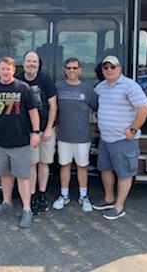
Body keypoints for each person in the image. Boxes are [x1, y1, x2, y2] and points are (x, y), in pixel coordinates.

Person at [0, 56, 40, 228]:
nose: (6, 72)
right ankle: (6, 203)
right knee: (4, 175)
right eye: (3, 68)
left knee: (23, 177)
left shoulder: (23, 88)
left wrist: (35, 132)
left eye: (9, 69)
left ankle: (27, 210)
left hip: (20, 142)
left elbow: (33, 111)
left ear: (14, 70)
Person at [93, 55, 147, 220]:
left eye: (113, 67)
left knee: (124, 173)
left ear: (120, 69)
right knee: (104, 169)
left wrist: (133, 130)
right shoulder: (101, 87)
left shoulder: (129, 86)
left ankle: (119, 206)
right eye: (106, 67)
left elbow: (144, 109)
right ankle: (109, 199)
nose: (109, 70)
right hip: (105, 138)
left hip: (123, 139)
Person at [52, 57, 98, 212]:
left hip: (82, 136)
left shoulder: (87, 89)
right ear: (65, 70)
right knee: (64, 165)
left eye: (75, 68)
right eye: (69, 68)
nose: (72, 71)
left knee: (82, 166)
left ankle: (83, 196)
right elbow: (52, 108)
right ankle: (64, 195)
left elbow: (97, 108)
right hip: (63, 135)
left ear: (80, 70)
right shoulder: (58, 86)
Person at [16, 51, 57, 215]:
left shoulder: (45, 80)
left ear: (38, 64)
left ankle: (41, 195)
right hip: (27, 132)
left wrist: (48, 128)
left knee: (44, 163)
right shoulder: (17, 80)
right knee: (31, 164)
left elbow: (53, 105)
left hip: (45, 130)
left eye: (34, 61)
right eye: (28, 61)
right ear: (23, 62)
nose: (31, 64)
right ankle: (32, 197)